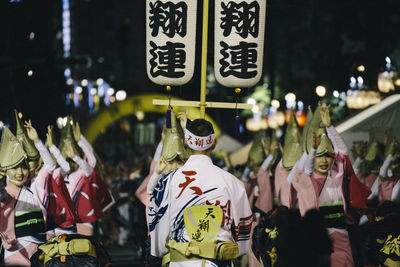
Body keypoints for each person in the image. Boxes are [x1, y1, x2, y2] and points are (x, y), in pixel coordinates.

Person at [148, 118, 252, 267]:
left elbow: (157, 241)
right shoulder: (233, 182)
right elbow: (243, 242)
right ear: (214, 143)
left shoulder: (168, 182)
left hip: (179, 263)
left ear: (184, 142)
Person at [291, 103, 370, 266]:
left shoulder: (337, 176)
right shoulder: (310, 181)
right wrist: (312, 149)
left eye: (328, 156)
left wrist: (330, 127)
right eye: (320, 156)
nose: (325, 160)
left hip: (342, 236)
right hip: (319, 238)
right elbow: (307, 168)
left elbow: (343, 152)